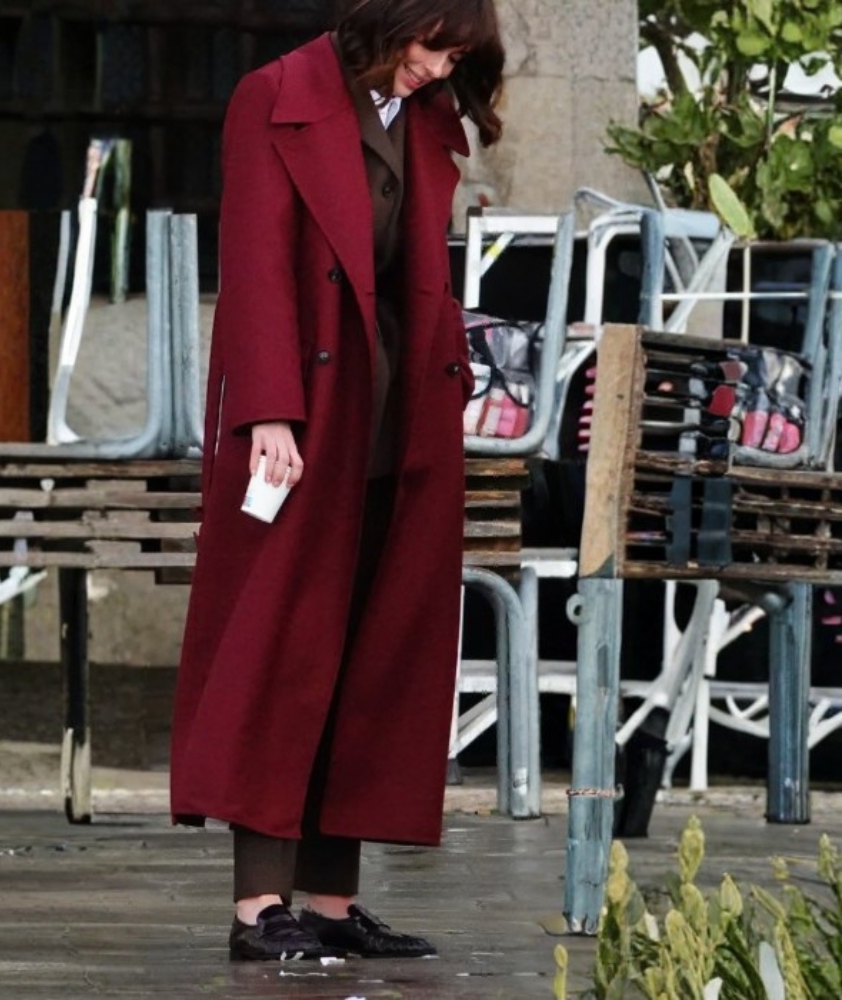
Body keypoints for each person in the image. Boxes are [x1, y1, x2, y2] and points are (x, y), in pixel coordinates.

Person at [169, 0, 506, 962]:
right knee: (281, 651)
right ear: (389, 19)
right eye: (434, 45)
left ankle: (326, 901)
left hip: (399, 420)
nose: (442, 69)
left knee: (371, 655)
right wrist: (268, 408)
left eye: (458, 55)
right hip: (303, 424)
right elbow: (256, 267)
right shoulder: (274, 97)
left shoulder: (423, 118)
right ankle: (254, 912)